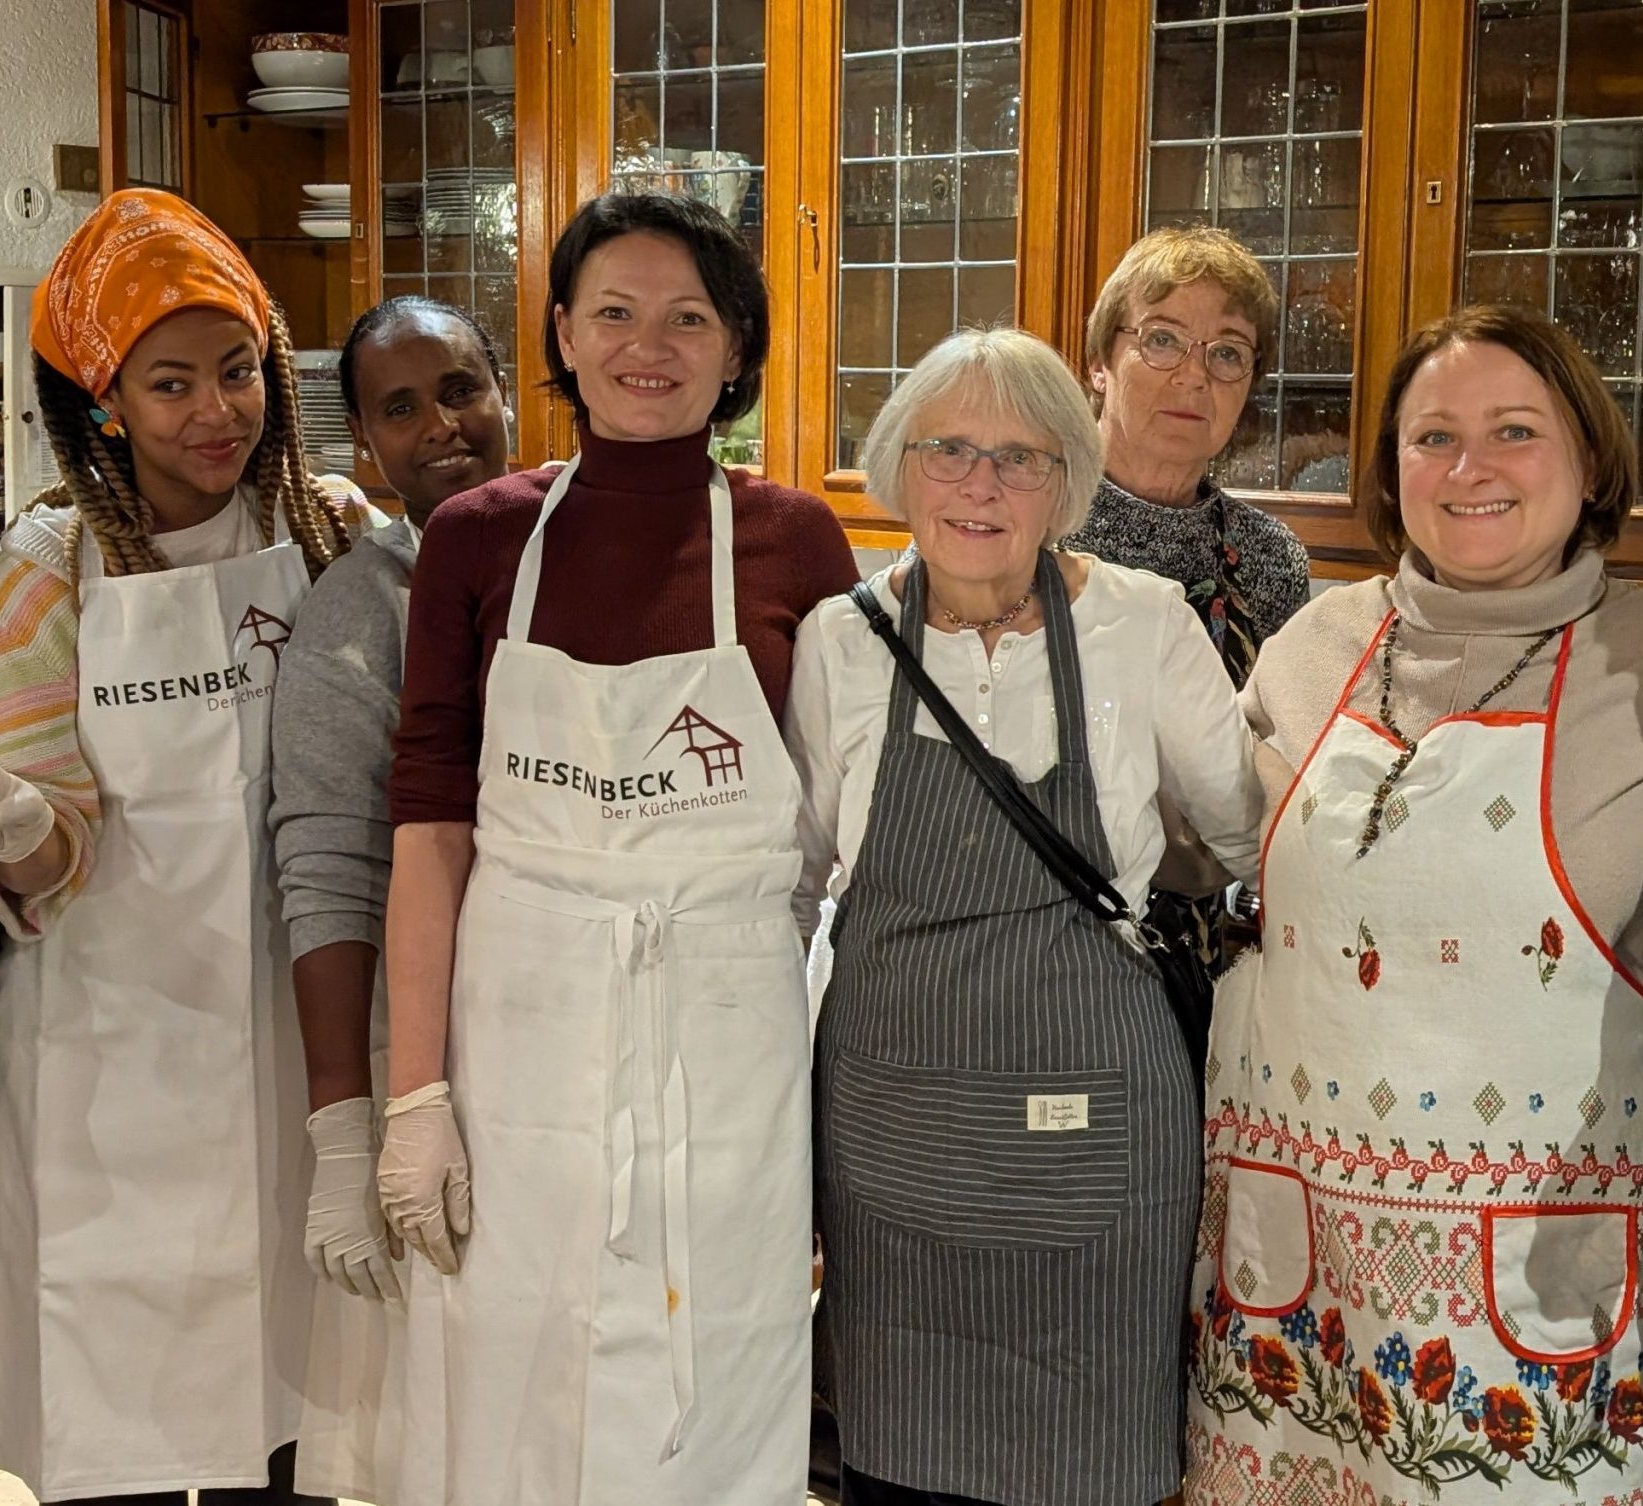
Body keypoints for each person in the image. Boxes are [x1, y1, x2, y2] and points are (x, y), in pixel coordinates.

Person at [0, 188, 372, 1506]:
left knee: (302, 1427)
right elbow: (40, 844)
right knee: (127, 1429)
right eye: (169, 384)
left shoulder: (333, 533)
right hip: (116, 1073)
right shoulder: (49, 567)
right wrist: (24, 833)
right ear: (104, 397)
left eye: (235, 370)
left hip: (301, 1049)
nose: (216, 412)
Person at [1187, 304, 1643, 1504]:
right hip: (1297, 1250)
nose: (1468, 469)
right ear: (1389, 470)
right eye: (1432, 437)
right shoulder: (1310, 643)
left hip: (1535, 1264)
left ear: (1589, 462)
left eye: (1515, 432)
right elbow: (1201, 853)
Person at [375, 191, 857, 1505]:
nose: (652, 342)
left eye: (689, 316)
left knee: (709, 1380)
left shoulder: (799, 538)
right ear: (565, 337)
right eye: (616, 312)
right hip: (517, 1028)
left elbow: (848, 821)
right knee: (512, 1375)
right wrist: (417, 1098)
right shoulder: (477, 537)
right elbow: (430, 823)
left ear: (738, 346)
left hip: (728, 1029)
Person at [787, 326, 1265, 1506]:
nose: (980, 486)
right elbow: (792, 881)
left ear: (1068, 483)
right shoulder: (837, 641)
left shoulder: (1142, 622)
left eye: (1021, 457)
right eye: (948, 450)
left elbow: (1253, 841)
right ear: (898, 468)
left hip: (1096, 1124)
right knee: (896, 1464)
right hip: (891, 1140)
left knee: (1093, 1469)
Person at [265, 294, 512, 1498]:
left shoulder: (577, 545)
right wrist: (347, 1131)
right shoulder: (357, 611)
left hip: (579, 1035)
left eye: (460, 388)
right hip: (429, 1060)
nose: (440, 426)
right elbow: (327, 865)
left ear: (510, 389)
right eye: (399, 409)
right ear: (364, 444)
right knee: (435, 1418)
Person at [1060, 225, 1311, 1013]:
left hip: (1222, 976)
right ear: (1099, 364)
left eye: (1227, 352)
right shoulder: (1023, 532)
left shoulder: (1270, 562)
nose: (1194, 377)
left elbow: (1285, 767)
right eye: (1162, 340)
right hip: (1053, 955)